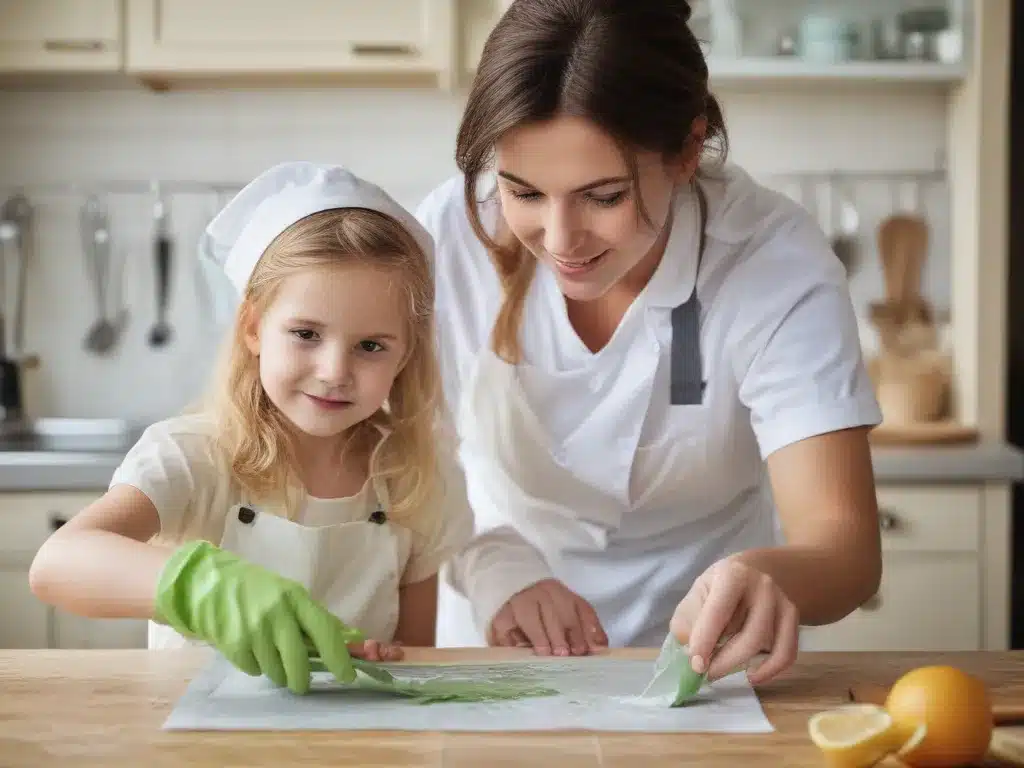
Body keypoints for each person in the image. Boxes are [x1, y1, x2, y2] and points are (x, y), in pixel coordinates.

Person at [416, 0, 884, 687]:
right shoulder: (455, 235)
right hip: (499, 644)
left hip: (710, 667)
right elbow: (401, 465)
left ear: (689, 151)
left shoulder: (770, 262)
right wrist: (496, 570)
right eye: (523, 191)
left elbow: (843, 544)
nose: (560, 237)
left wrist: (764, 574)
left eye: (602, 196)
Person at [29, 162, 473, 694]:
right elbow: (57, 564)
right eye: (306, 333)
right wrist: (206, 588)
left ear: (406, 356)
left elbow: (412, 661)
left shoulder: (419, 478)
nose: (334, 370)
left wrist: (385, 660)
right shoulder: (192, 456)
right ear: (253, 327)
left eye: (371, 346)